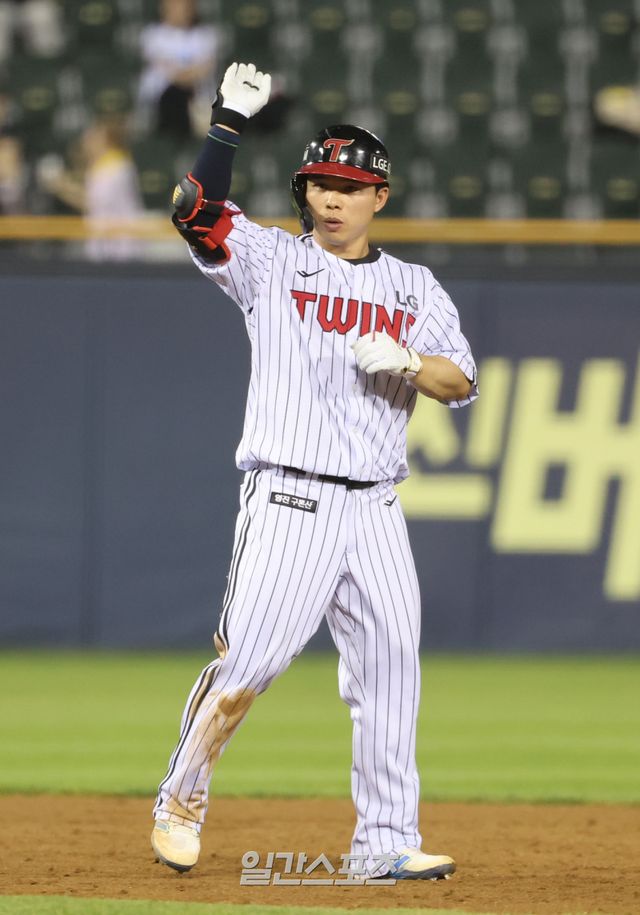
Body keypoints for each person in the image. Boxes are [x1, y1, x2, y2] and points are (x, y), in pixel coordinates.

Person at [151, 62, 478, 882]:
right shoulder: (269, 260)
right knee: (251, 663)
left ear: (379, 198)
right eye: (320, 184)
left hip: (376, 505)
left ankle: (384, 842)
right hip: (290, 492)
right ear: (304, 192)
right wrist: (227, 122)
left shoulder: (414, 287)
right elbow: (194, 209)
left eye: (349, 187)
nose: (332, 199)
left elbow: (460, 381)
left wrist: (411, 360)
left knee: (391, 670)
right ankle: (180, 800)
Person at [38, 116, 144, 261]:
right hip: (105, 242)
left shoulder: (116, 165)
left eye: (93, 137)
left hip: (122, 245)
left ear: (106, 141)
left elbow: (92, 202)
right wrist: (63, 185)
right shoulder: (100, 166)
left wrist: (61, 187)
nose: (86, 141)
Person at [138, 0, 218, 142]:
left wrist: (186, 75)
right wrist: (186, 74)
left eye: (185, 6)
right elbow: (164, 68)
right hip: (161, 98)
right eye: (175, 6)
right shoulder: (153, 35)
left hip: (198, 97)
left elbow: (206, 67)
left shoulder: (206, 35)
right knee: (174, 96)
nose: (180, 11)